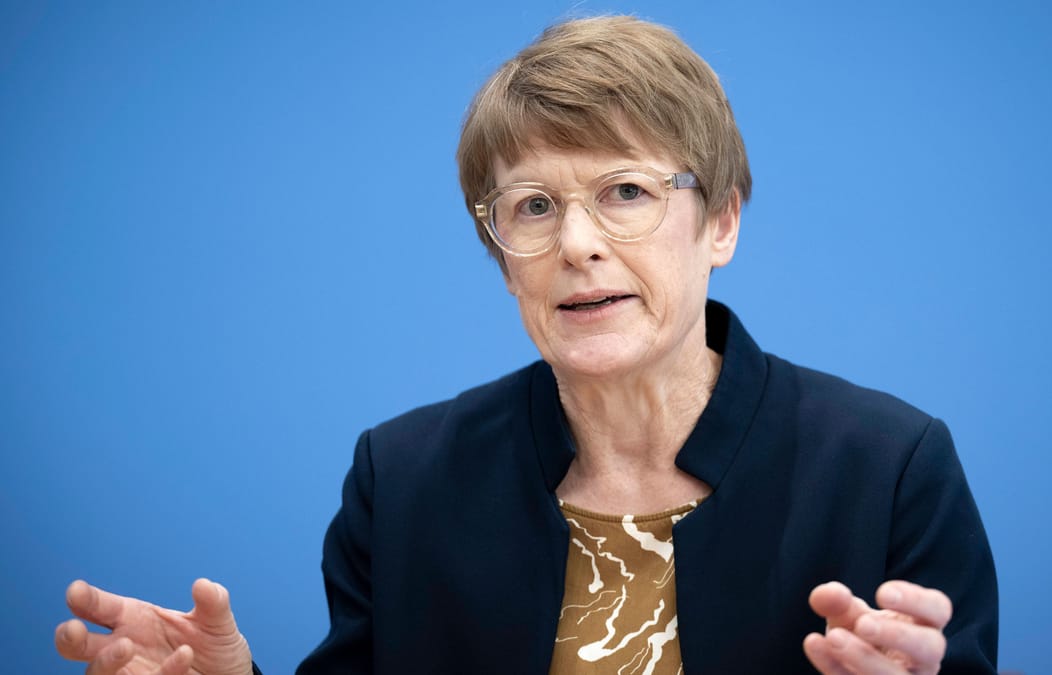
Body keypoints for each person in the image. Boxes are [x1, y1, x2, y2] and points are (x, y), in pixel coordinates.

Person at [54, 15, 998, 675]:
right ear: (504, 256)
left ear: (721, 222)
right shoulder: (404, 479)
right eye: (535, 206)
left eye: (626, 191)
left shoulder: (889, 468)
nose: (577, 243)